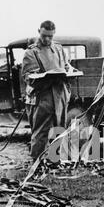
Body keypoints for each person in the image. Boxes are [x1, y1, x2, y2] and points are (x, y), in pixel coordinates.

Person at [21, 20, 71, 161]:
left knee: (59, 129)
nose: (47, 39)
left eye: (50, 36)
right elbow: (27, 77)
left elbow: (66, 65)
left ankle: (54, 161)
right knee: (40, 132)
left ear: (54, 34)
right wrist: (43, 76)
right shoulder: (31, 52)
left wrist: (69, 70)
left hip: (60, 95)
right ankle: (36, 164)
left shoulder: (59, 49)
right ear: (39, 31)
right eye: (44, 36)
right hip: (43, 97)